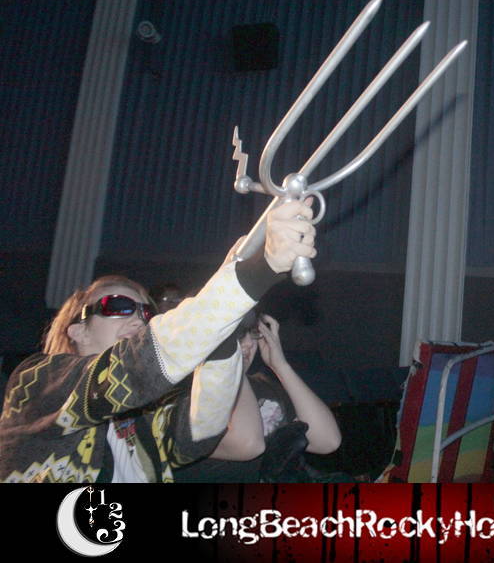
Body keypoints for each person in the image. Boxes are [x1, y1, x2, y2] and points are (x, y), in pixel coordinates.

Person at [0, 199, 316, 482]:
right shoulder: (36, 382)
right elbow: (132, 366)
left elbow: (203, 429)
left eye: (146, 313)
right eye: (118, 306)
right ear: (77, 330)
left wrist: (225, 318)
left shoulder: (144, 422)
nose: (138, 320)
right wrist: (259, 271)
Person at [174, 312, 342, 482]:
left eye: (253, 332)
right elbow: (248, 444)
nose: (249, 343)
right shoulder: (186, 394)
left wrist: (281, 366)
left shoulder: (262, 385)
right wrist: (231, 363)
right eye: (239, 333)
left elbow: (328, 441)